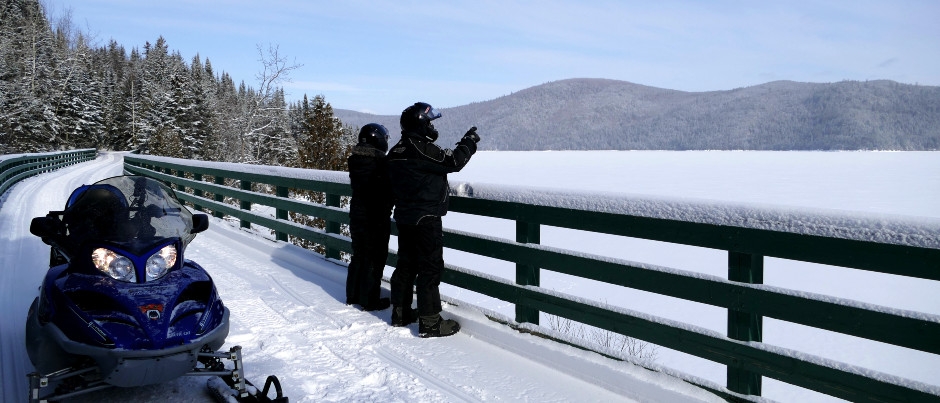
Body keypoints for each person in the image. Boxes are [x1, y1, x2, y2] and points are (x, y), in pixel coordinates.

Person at [386, 102, 480, 338]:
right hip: (425, 218)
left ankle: (400, 312)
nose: (431, 126)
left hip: (405, 217)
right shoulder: (421, 149)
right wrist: (468, 142)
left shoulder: (396, 151)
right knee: (430, 268)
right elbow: (453, 162)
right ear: (420, 123)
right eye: (428, 122)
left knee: (406, 265)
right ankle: (430, 322)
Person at [346, 123, 394, 311]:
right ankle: (370, 299)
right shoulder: (380, 163)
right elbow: (387, 188)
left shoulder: (356, 160)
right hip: (375, 215)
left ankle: (353, 295)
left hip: (357, 213)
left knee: (359, 254)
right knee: (375, 257)